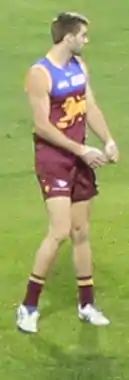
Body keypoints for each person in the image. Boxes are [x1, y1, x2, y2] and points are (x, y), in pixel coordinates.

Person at [16, 12, 119, 333]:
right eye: (83, 35)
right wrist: (82, 151)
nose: (86, 41)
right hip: (54, 160)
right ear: (68, 37)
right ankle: (28, 306)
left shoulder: (79, 68)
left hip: (80, 158)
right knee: (60, 230)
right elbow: (42, 126)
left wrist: (109, 140)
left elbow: (90, 107)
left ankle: (86, 304)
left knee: (81, 231)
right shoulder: (40, 73)